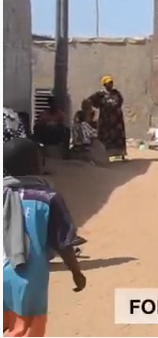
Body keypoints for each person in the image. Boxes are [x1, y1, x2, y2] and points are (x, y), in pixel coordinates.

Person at [3, 138, 86, 337]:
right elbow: (64, 242)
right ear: (38, 164)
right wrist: (76, 272)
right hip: (28, 279)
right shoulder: (48, 198)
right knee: (25, 330)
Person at [86, 76, 127, 160]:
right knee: (105, 137)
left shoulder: (116, 93)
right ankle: (106, 155)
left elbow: (120, 101)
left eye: (111, 83)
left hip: (117, 120)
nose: (111, 85)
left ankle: (120, 154)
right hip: (105, 120)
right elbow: (89, 101)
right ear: (104, 84)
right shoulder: (100, 95)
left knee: (118, 136)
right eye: (108, 83)